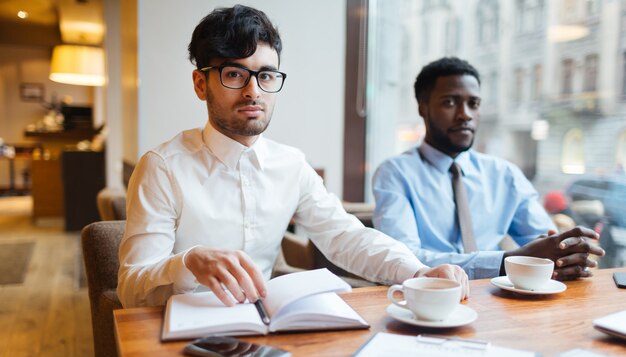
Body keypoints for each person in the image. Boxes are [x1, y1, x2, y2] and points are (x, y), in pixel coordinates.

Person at [117, 6, 467, 308]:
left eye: (266, 75)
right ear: (200, 84)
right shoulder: (162, 167)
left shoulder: (290, 165)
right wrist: (188, 262)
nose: (253, 91)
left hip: (264, 329)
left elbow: (346, 237)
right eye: (235, 74)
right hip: (179, 336)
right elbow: (130, 288)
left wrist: (418, 271)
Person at [372, 57, 604, 280]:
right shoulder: (395, 173)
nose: (465, 115)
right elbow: (403, 260)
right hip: (427, 299)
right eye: (449, 102)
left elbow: (544, 240)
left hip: (500, 300)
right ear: (423, 108)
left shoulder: (504, 174)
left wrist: (564, 254)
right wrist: (506, 261)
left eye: (473, 103)